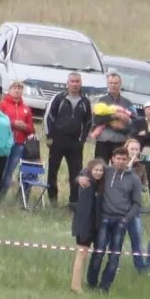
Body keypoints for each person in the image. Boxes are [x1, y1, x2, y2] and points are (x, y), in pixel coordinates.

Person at [90, 148, 145, 290]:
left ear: (127, 160)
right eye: (118, 158)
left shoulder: (134, 179)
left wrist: (126, 219)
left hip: (121, 221)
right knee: (98, 252)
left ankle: (105, 287)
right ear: (113, 159)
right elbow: (88, 171)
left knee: (114, 256)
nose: (120, 161)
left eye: (123, 159)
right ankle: (91, 283)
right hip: (104, 218)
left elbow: (137, 203)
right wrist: (81, 178)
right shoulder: (105, 172)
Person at [44, 73, 94, 206]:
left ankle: (73, 201)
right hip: (57, 141)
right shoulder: (59, 98)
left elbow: (89, 122)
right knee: (53, 171)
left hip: (75, 143)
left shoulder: (85, 101)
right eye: (72, 81)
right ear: (68, 83)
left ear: (81, 83)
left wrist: (82, 140)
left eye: (77, 81)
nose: (75, 84)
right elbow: (49, 117)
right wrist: (49, 136)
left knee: (76, 173)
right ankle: (53, 200)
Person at [67, 156, 104, 292]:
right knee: (81, 254)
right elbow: (85, 208)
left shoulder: (98, 184)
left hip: (93, 224)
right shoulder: (87, 182)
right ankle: (76, 286)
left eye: (101, 170)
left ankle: (77, 284)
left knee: (83, 254)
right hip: (85, 224)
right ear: (90, 170)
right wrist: (79, 178)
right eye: (96, 170)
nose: (99, 172)